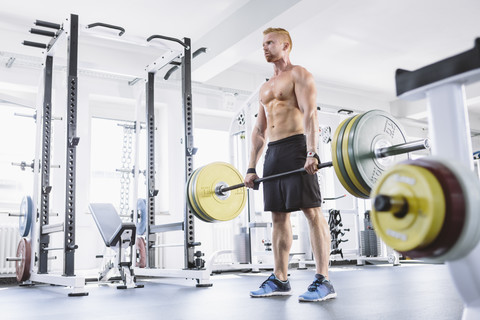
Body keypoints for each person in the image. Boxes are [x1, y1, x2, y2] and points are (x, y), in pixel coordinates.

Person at [244, 27, 336, 302]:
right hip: (274, 152)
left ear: (286, 45)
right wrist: (251, 167)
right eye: (263, 43)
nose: (264, 47)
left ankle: (324, 280)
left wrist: (312, 152)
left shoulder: (299, 74)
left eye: (270, 42)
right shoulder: (265, 87)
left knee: (312, 212)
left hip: (297, 147)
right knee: (278, 216)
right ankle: (281, 279)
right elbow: (259, 131)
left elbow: (310, 115)